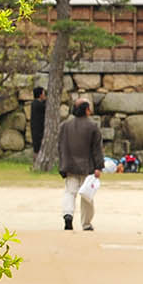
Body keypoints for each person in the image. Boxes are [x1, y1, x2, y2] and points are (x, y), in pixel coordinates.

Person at [55, 97, 104, 231]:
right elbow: (97, 149)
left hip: (69, 165)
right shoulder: (92, 126)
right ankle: (86, 224)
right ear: (87, 110)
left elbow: (60, 146)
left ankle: (68, 215)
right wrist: (99, 166)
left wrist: (62, 164)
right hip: (87, 167)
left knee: (70, 193)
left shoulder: (65, 125)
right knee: (87, 196)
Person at [29, 85, 48, 155]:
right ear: (40, 95)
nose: (45, 95)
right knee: (38, 148)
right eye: (43, 93)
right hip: (38, 129)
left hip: (37, 128)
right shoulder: (37, 104)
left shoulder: (35, 103)